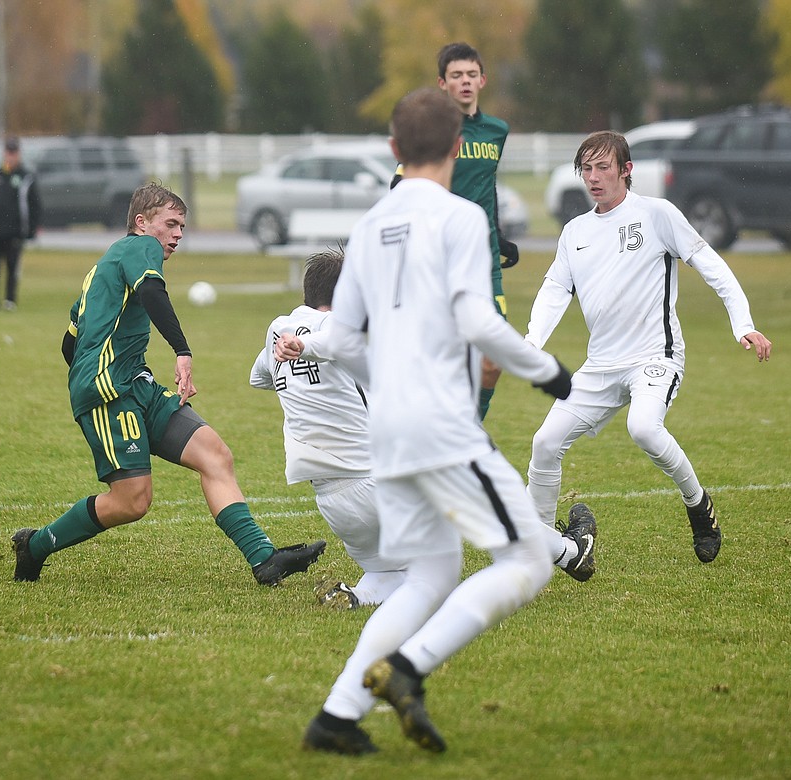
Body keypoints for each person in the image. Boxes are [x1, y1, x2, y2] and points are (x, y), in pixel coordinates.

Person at [296, 88, 586, 756]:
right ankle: (405, 670)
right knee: (527, 561)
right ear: (459, 147)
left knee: (428, 573)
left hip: (389, 431)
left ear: (394, 151)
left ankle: (336, 718)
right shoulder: (460, 218)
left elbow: (339, 340)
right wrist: (549, 372)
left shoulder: (368, 228)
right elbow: (478, 320)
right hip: (439, 424)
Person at [10, 183, 326, 585]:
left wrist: (105, 365)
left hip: (136, 384)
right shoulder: (139, 248)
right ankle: (34, 546)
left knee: (215, 454)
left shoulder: (103, 270)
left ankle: (264, 560)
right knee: (133, 501)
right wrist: (180, 351)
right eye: (171, 224)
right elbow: (152, 292)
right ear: (141, 223)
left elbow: (69, 342)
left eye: (182, 226)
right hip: (110, 393)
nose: (178, 234)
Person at [524, 130, 772, 565]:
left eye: (603, 167)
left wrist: (743, 324)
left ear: (627, 170)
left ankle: (698, 506)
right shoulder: (575, 231)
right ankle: (542, 547)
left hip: (654, 357)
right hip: (600, 365)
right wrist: (530, 344)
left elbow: (712, 265)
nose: (594, 177)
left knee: (643, 427)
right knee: (545, 442)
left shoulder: (657, 214)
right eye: (586, 168)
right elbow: (554, 291)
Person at [249, 246, 407, 609]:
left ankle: (356, 597)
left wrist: (295, 361)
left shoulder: (277, 329)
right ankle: (559, 553)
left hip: (333, 502)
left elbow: (258, 378)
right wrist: (305, 346)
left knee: (387, 573)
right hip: (376, 483)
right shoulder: (330, 326)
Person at [392, 42, 519, 420]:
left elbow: (487, 183)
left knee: (493, 358)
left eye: (470, 75)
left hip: (485, 260)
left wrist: (498, 231)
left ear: (483, 79)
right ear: (442, 84)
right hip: (439, 259)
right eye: (455, 76)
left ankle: (472, 425)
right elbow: (402, 182)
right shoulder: (435, 130)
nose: (464, 82)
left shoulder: (497, 130)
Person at [0, 136, 41, 311]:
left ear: (18, 154)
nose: (11, 156)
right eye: (8, 152)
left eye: (14, 152)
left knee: (12, 268)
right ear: (4, 153)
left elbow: (34, 205)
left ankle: (10, 300)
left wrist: (32, 229)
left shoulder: (26, 177)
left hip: (15, 231)